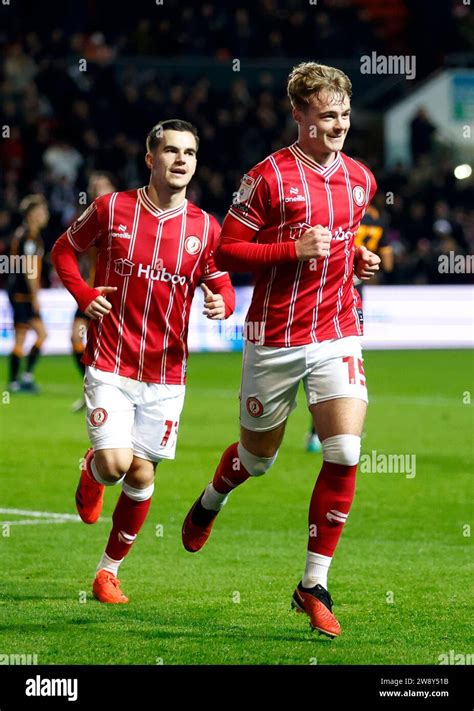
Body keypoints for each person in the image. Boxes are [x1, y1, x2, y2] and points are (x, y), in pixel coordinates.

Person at [181, 63, 380, 638]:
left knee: (344, 450)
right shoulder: (267, 177)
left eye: (344, 114)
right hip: (274, 336)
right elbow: (225, 251)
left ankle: (312, 583)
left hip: (337, 330)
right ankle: (212, 498)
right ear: (299, 115)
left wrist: (358, 262)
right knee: (259, 460)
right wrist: (291, 249)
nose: (338, 125)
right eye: (326, 116)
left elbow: (343, 246)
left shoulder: (361, 179)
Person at [51, 119, 235, 604]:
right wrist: (83, 293)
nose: (181, 160)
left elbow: (222, 282)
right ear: (150, 158)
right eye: (171, 151)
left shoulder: (204, 227)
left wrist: (223, 302)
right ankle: (93, 469)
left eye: (190, 153)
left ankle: (107, 573)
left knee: (141, 475)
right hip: (111, 360)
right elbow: (64, 250)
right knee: (115, 465)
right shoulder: (112, 208)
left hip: (167, 373)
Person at [305, 201, 393, 453]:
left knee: (321, 359)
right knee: (346, 361)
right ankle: (341, 427)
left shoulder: (338, 210)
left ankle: (318, 432)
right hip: (353, 300)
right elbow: (387, 264)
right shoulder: (379, 220)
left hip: (325, 292)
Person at [70, 171, 117, 413]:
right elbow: (68, 249)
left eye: (102, 186)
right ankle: (89, 388)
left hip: (111, 293)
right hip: (89, 290)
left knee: (104, 346)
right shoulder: (91, 219)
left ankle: (104, 395)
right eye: (94, 187)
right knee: (77, 339)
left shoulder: (122, 221)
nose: (97, 190)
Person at [7, 194, 49, 393]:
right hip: (21, 295)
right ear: (32, 214)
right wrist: (35, 297)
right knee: (22, 337)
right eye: (41, 211)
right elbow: (30, 270)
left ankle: (24, 376)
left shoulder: (26, 234)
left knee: (41, 334)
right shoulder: (29, 238)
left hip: (19, 293)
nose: (45, 215)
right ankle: (15, 381)